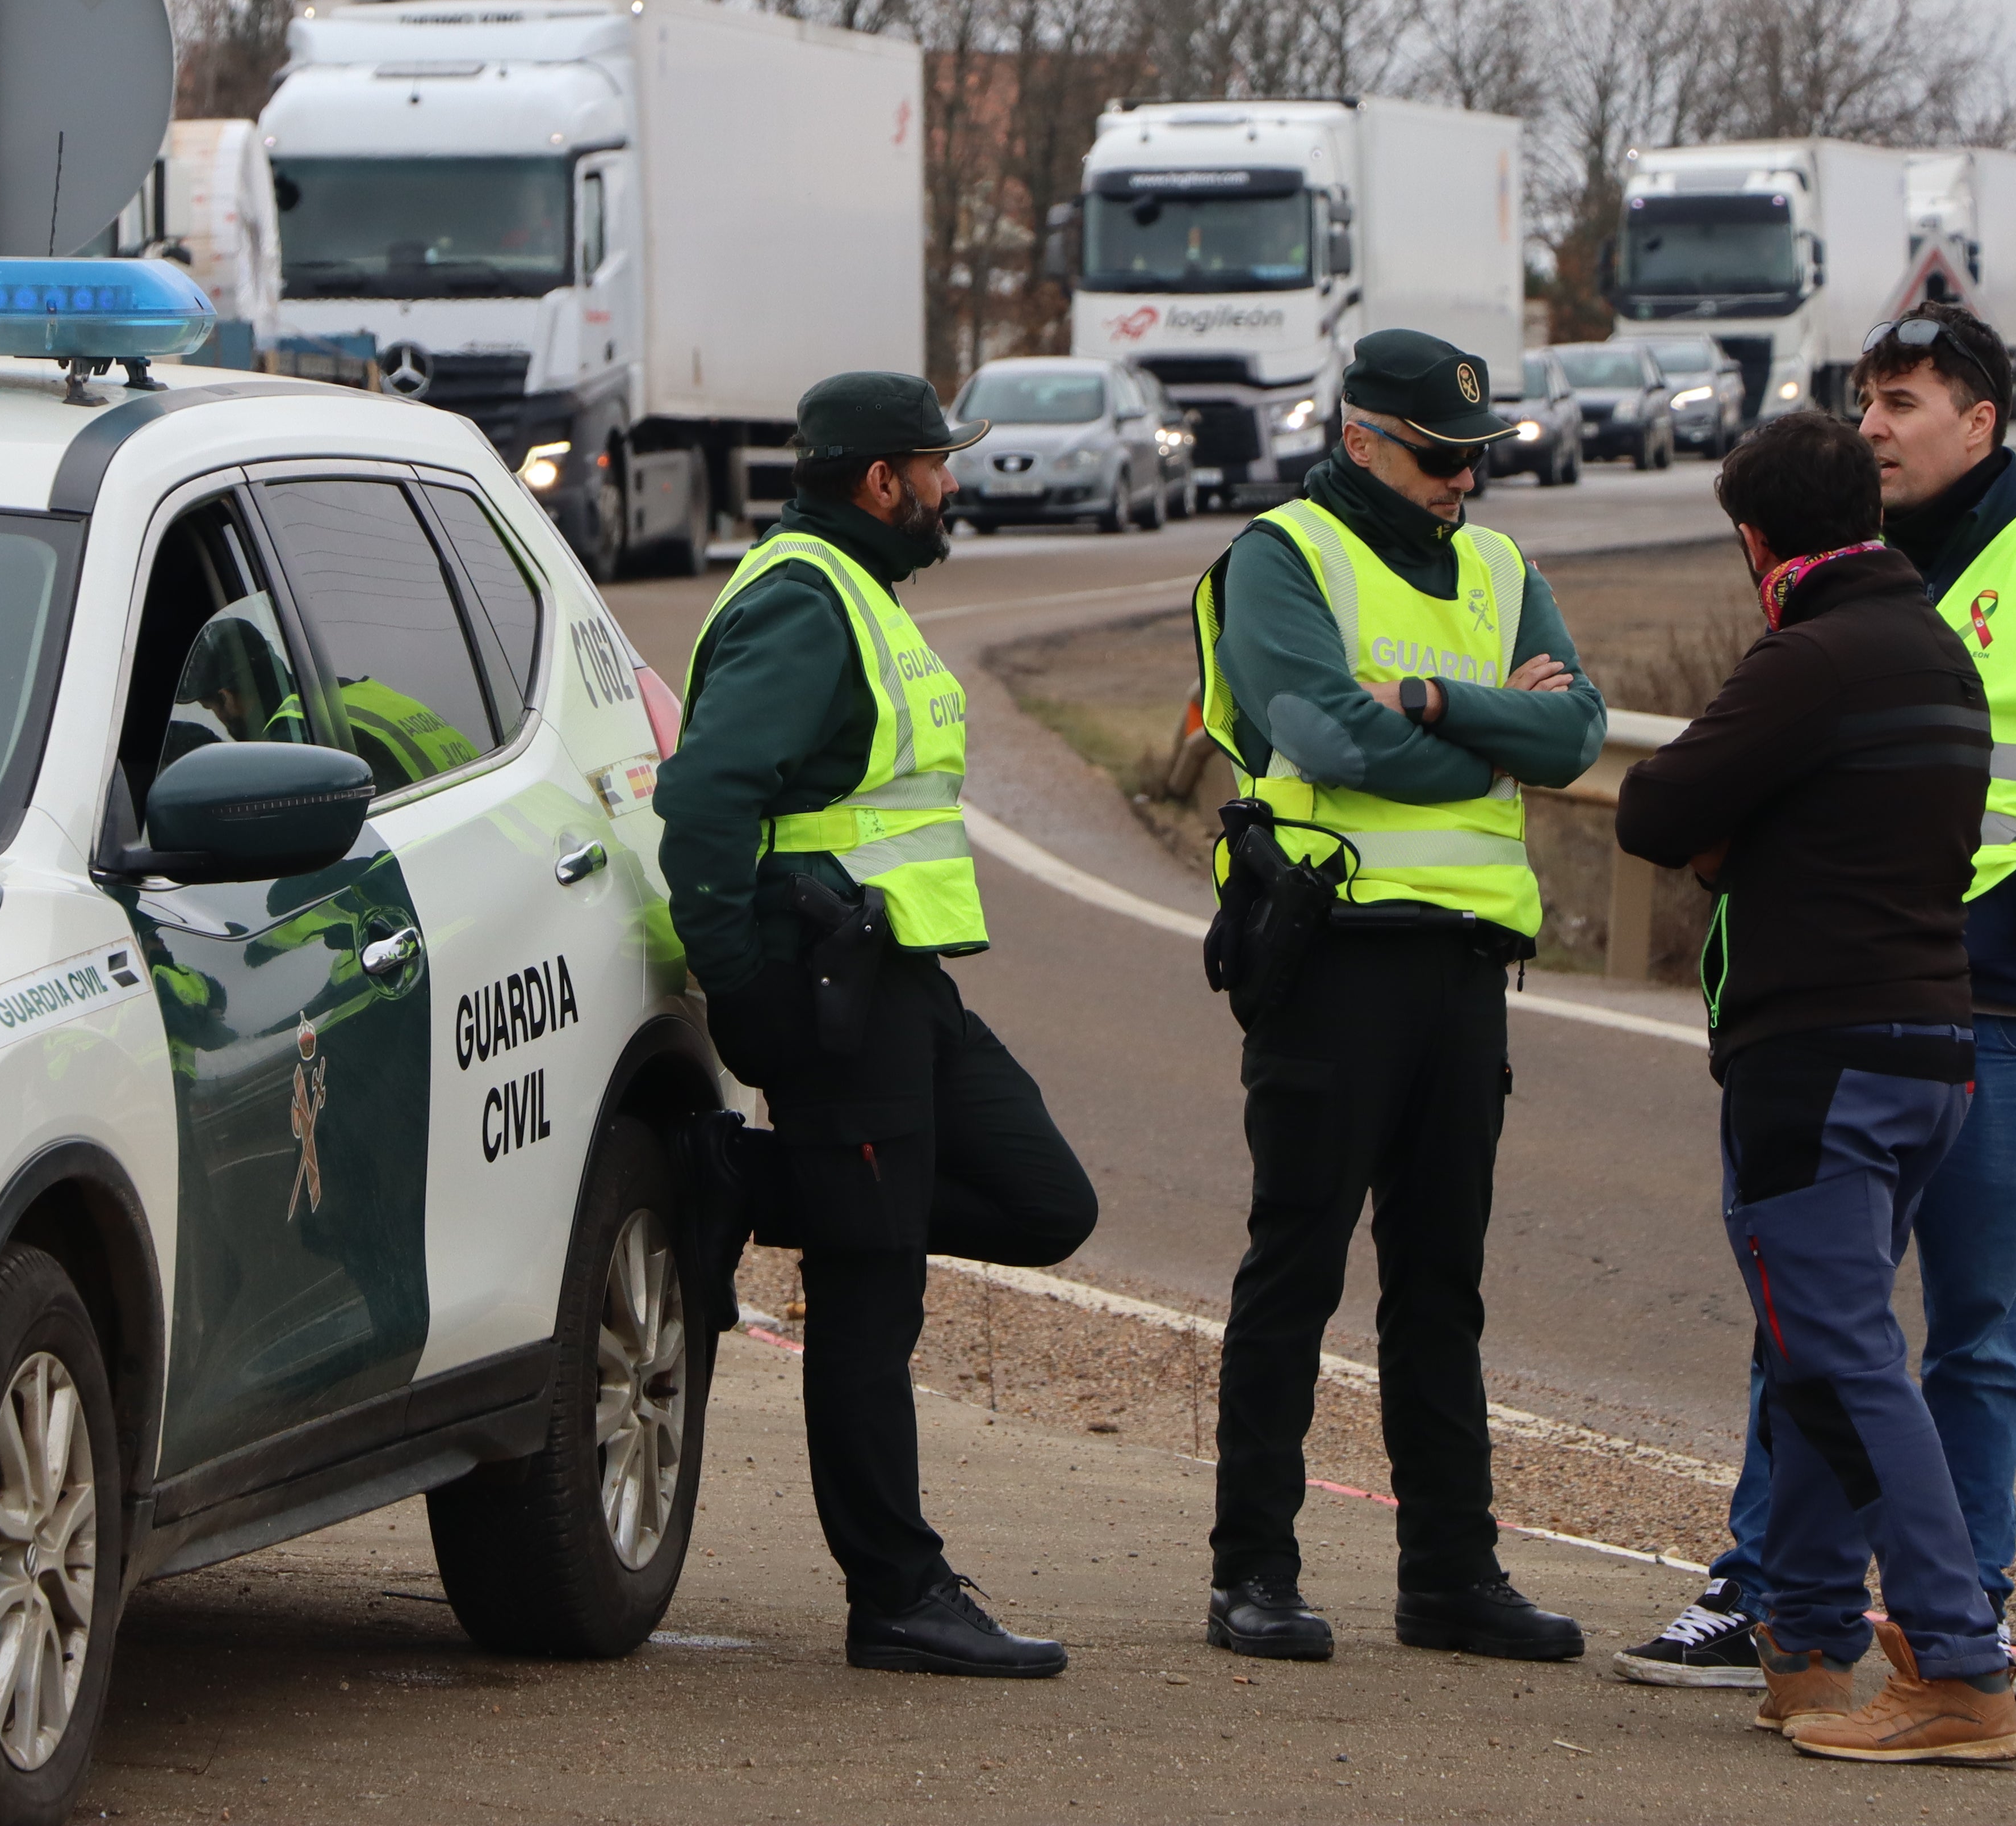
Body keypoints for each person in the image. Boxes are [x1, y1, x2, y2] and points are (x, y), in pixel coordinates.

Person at [1620, 304, 2016, 1694]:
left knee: (1966, 1332)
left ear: (1983, 419)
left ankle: (1962, 1612)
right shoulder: (1856, 572)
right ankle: (1782, 1593)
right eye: (1864, 401)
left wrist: (2010, 909)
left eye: (1903, 399)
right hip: (1875, 997)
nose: (1876, 425)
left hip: (1998, 998)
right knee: (1819, 1319)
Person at [659, 370, 1100, 1678]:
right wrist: (744, 992)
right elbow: (705, 802)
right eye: (935, 464)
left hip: (896, 978)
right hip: (831, 988)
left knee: (1043, 1200)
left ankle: (733, 1176)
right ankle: (898, 1591)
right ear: (879, 482)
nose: (950, 484)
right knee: (871, 1294)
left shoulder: (854, 588)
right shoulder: (804, 599)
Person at [1187, 329, 1603, 1664]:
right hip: (1336, 955)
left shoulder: (1497, 564)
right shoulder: (1282, 556)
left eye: (1479, 458)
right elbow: (1320, 732)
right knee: (1295, 1265)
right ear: (1361, 436)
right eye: (1439, 457)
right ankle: (1252, 1568)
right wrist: (1488, 740)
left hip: (1465, 969)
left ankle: (1451, 1573)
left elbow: (1578, 729)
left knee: (1442, 1282)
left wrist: (1429, 700)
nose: (1464, 484)